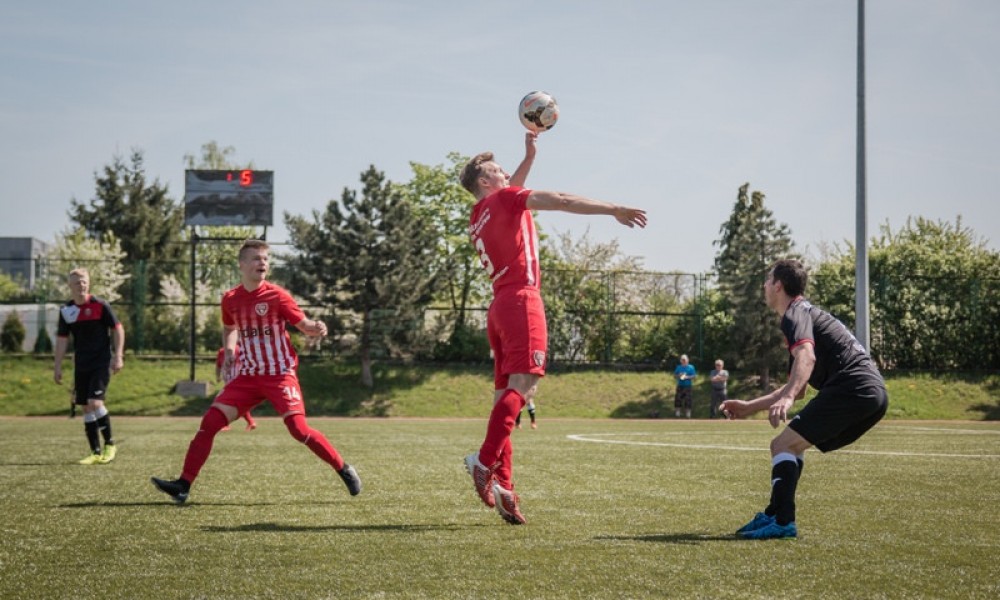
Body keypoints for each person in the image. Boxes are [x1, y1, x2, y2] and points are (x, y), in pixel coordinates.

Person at [460, 131, 647, 525]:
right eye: (497, 169)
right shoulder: (507, 198)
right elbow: (560, 200)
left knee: (504, 402)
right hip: (522, 301)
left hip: (498, 307)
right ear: (484, 181)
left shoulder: (478, 215)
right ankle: (484, 459)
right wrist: (614, 208)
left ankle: (504, 486)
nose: (505, 172)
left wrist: (531, 154)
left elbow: (511, 190)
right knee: (524, 389)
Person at [151, 239, 361, 504]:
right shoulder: (230, 299)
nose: (262, 262)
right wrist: (229, 352)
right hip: (248, 377)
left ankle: (343, 468)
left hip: (279, 373)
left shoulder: (277, 296)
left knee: (298, 429)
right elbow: (229, 328)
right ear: (241, 265)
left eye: (265, 259)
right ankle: (183, 485)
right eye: (255, 258)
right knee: (210, 423)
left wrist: (315, 327)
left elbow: (303, 323)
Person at [721, 258, 888, 539]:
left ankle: (783, 522)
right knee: (789, 446)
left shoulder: (794, 314)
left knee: (782, 444)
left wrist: (785, 399)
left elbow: (806, 356)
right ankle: (775, 514)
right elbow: (797, 388)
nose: (764, 286)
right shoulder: (804, 314)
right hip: (871, 394)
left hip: (853, 388)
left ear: (778, 286)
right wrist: (750, 407)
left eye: (767, 280)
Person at [53, 268, 125, 465]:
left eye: (84, 281)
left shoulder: (101, 306)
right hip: (81, 364)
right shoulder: (67, 311)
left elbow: (118, 330)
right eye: (77, 282)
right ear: (70, 286)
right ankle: (95, 452)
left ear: (89, 283)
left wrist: (118, 356)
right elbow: (62, 340)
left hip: (101, 362)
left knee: (95, 402)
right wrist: (57, 366)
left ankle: (110, 445)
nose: (81, 285)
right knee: (85, 406)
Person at [215, 346, 257, 431]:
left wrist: (218, 375)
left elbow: (218, 366)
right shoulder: (224, 351)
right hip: (230, 379)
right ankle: (251, 422)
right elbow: (219, 365)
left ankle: (225, 424)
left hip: (234, 380)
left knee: (223, 401)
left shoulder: (239, 349)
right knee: (236, 403)